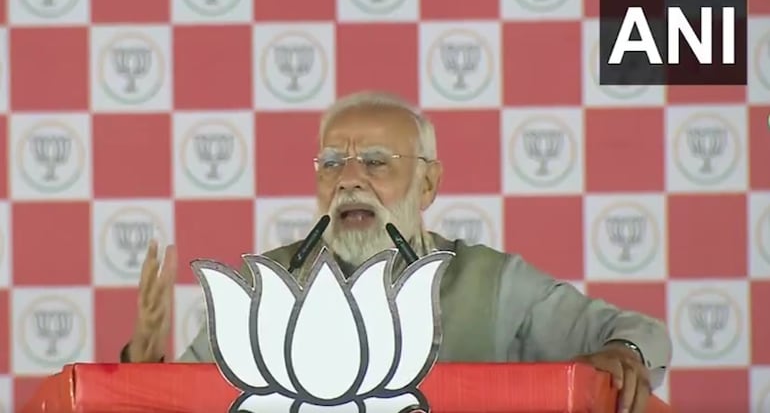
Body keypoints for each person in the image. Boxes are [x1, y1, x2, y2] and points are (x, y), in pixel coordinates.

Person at [121, 90, 672, 413]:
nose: (349, 180)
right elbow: (170, 400)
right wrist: (143, 358)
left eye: (376, 163)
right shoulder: (267, 285)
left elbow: (641, 334)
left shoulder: (490, 282)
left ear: (427, 184)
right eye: (331, 164)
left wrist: (621, 353)